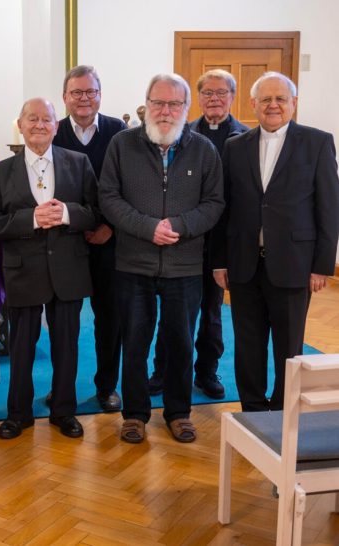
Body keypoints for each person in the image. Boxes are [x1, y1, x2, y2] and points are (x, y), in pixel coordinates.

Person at [98, 74, 224, 444]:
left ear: (186, 108)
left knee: (180, 343)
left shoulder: (203, 149)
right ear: (146, 104)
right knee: (134, 342)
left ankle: (178, 412)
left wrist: (181, 226)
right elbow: (109, 197)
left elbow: (215, 203)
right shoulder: (122, 145)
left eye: (174, 104)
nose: (165, 111)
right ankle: (135, 415)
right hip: (133, 263)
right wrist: (146, 227)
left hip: (184, 266)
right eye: (158, 102)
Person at [212, 72, 339, 412]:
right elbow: (225, 207)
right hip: (243, 263)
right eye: (265, 99)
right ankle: (253, 408)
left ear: (293, 104)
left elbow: (328, 207)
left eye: (280, 99)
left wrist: (322, 265)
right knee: (248, 342)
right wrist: (220, 260)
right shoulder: (234, 146)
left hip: (295, 263)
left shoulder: (317, 142)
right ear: (252, 104)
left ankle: (284, 410)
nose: (273, 105)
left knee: (289, 346)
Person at [0, 98, 98, 439]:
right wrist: (31, 218)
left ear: (56, 126)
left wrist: (66, 214)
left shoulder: (79, 163)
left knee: (67, 346)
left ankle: (64, 411)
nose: (39, 125)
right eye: (32, 119)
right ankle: (18, 413)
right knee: (21, 348)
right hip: (23, 271)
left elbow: (95, 213)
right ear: (20, 124)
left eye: (47, 119)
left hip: (68, 271)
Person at [150, 69, 249, 399]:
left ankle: (206, 371)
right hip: (186, 239)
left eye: (222, 93)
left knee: (211, 311)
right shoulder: (183, 133)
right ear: (198, 98)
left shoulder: (246, 137)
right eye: (208, 93)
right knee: (173, 312)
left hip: (221, 244)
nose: (215, 99)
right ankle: (162, 370)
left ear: (232, 98)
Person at [53, 65, 127, 413]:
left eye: (90, 92)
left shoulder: (119, 132)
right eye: (76, 92)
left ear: (100, 95)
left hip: (110, 242)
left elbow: (131, 186)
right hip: (65, 242)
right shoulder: (51, 131)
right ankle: (62, 387)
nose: (84, 99)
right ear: (65, 97)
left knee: (110, 317)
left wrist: (109, 227)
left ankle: (107, 386)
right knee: (63, 321)